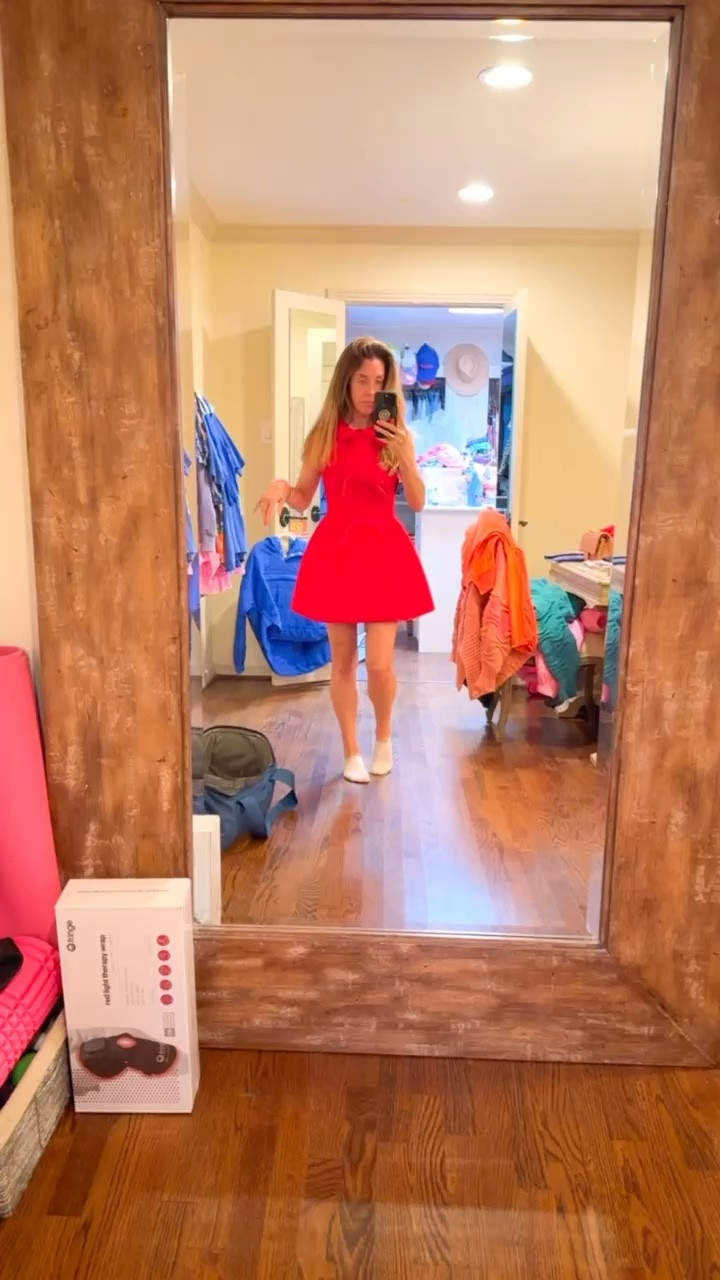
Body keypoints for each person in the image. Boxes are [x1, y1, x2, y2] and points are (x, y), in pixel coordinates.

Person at [257, 336, 434, 784]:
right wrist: (281, 487)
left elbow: (418, 501)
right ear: (346, 382)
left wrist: (406, 458)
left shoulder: (396, 438)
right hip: (337, 550)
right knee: (342, 662)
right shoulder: (326, 435)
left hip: (383, 552)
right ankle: (351, 751)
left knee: (379, 664)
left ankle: (384, 737)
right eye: (362, 380)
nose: (371, 390)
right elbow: (303, 496)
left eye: (379, 381)